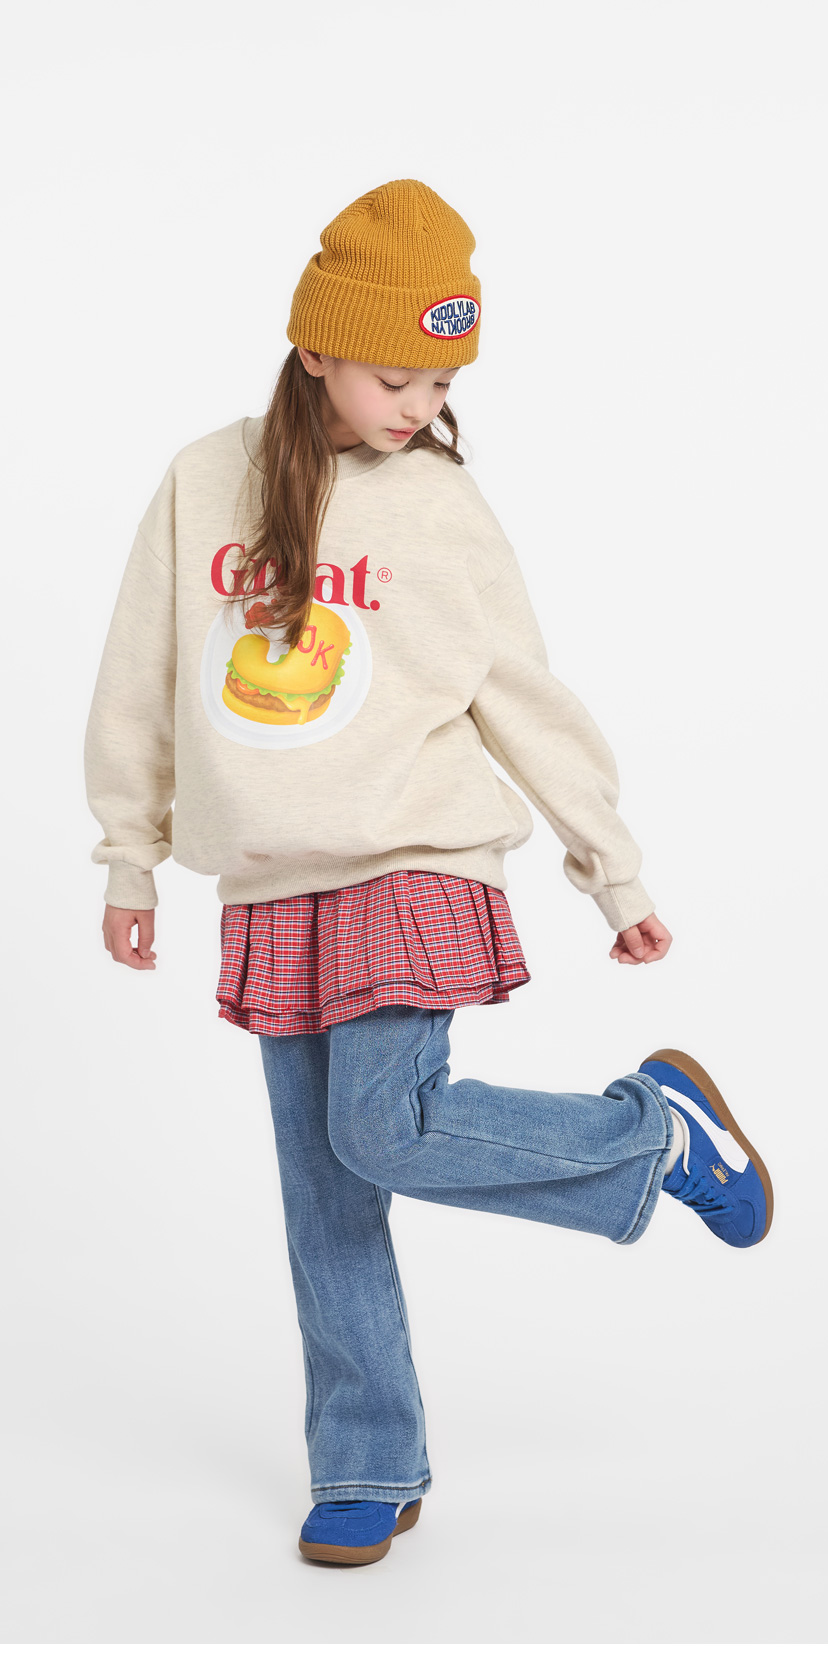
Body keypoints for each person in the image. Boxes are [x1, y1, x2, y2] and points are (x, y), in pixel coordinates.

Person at [84, 179, 773, 1567]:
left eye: (443, 381)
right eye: (395, 376)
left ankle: (654, 1132)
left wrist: (612, 869)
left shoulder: (440, 506)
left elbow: (520, 694)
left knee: (385, 1130)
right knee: (325, 1192)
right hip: (272, 879)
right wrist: (130, 856)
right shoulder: (203, 480)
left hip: (414, 853)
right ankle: (367, 1460)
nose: (419, 405)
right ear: (315, 349)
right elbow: (141, 674)